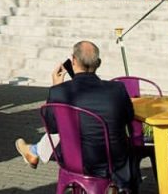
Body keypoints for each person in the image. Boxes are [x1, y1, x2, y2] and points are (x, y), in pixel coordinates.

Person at [14, 41, 137, 192]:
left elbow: (52, 129)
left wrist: (55, 86)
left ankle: (35, 151)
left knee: (62, 134)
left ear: (73, 61)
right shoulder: (117, 88)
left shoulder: (60, 92)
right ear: (98, 63)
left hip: (75, 161)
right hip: (114, 160)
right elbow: (129, 117)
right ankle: (34, 151)